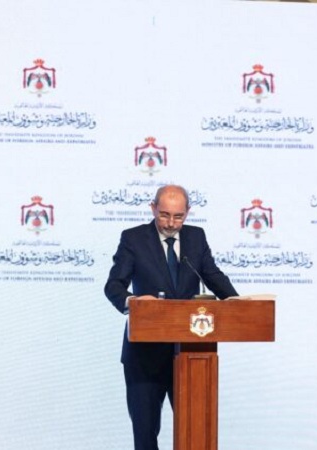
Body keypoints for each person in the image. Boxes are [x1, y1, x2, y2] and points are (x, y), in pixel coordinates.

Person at [104, 184, 238, 450]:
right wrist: (133, 302)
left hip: (190, 354)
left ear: (188, 212)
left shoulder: (196, 237)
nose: (171, 223)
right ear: (153, 208)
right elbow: (114, 286)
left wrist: (236, 303)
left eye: (178, 216)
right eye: (164, 215)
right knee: (145, 434)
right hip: (144, 356)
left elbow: (212, 276)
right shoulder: (133, 238)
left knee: (196, 431)